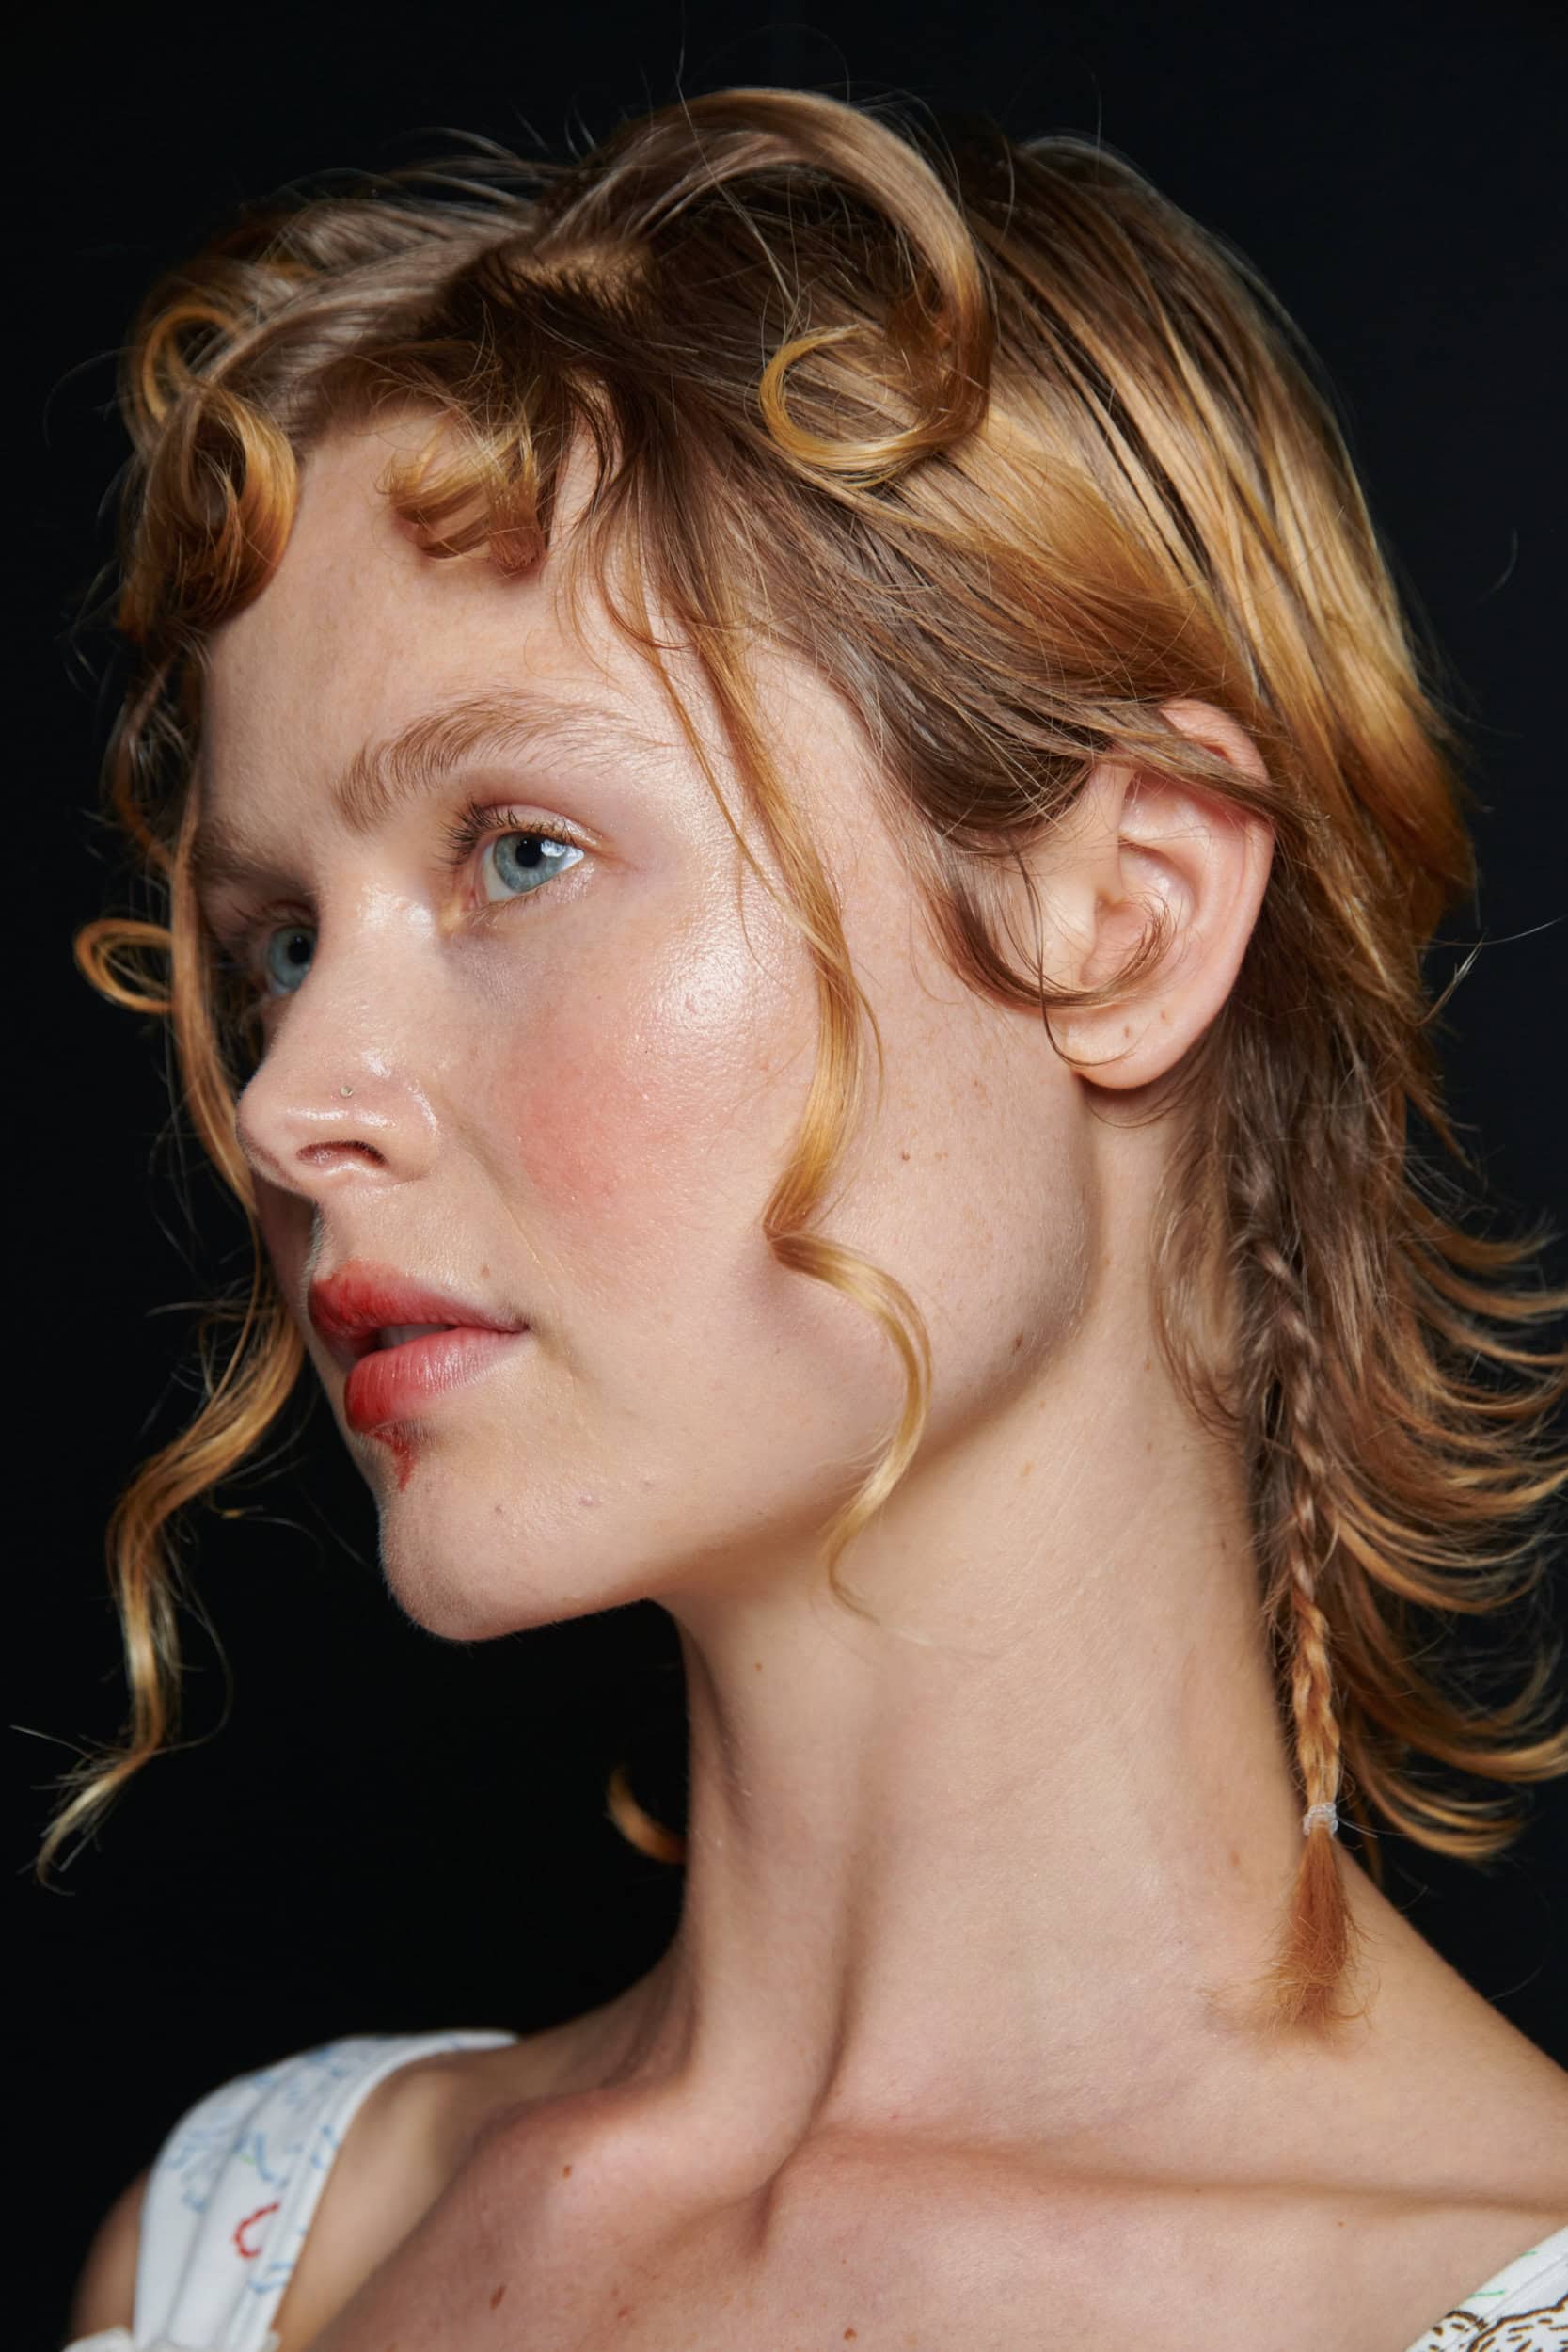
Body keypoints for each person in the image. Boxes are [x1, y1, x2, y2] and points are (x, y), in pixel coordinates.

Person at [55, 85, 1568, 2352]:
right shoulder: (265, 2250)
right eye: (281, 939)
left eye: (519, 852)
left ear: (1124, 919)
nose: (289, 1103)